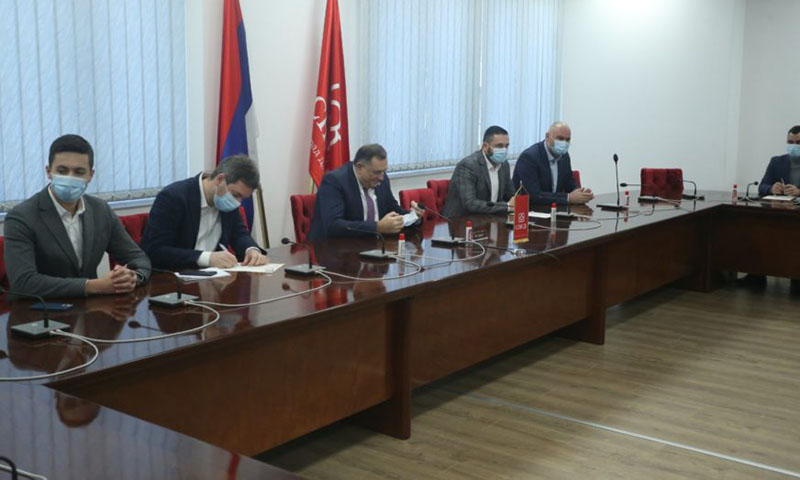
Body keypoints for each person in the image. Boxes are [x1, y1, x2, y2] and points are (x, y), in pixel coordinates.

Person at [3, 134, 151, 299]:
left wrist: (133, 277)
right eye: (62, 171)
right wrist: (94, 286)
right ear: (49, 172)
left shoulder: (100, 210)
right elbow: (24, 282)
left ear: (90, 175)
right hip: (38, 310)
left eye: (79, 172)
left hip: (91, 308)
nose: (70, 177)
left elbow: (138, 258)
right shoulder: (21, 217)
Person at [141, 155, 268, 270]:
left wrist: (251, 250)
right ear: (220, 180)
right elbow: (154, 250)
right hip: (175, 278)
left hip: (216, 279)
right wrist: (207, 258)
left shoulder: (227, 200)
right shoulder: (173, 197)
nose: (238, 202)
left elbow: (239, 234)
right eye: (235, 195)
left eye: (242, 198)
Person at [308, 144, 424, 240]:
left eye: (383, 171)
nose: (381, 177)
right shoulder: (335, 181)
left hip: (374, 248)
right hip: (334, 251)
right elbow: (333, 226)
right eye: (376, 172)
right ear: (360, 168)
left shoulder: (382, 179)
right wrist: (377, 227)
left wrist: (414, 216)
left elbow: (393, 209)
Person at [512, 122, 594, 206]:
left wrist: (581, 193)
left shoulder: (564, 156)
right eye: (560, 138)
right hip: (531, 209)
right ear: (547, 137)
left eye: (567, 140)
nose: (564, 143)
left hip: (555, 208)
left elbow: (569, 182)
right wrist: (568, 197)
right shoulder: (529, 157)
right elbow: (534, 195)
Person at [442, 126, 516, 217]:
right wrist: (507, 206)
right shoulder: (468, 165)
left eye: (507, 146)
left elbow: (511, 194)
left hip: (491, 217)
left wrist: (517, 201)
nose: (504, 150)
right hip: (461, 220)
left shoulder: (504, 164)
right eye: (499, 146)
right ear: (485, 146)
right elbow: (470, 204)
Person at [758, 125, 800, 197]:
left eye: (798, 142)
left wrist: (799, 192)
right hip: (781, 203)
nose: (794, 146)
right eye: (790, 142)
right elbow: (762, 187)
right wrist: (771, 189)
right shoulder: (776, 162)